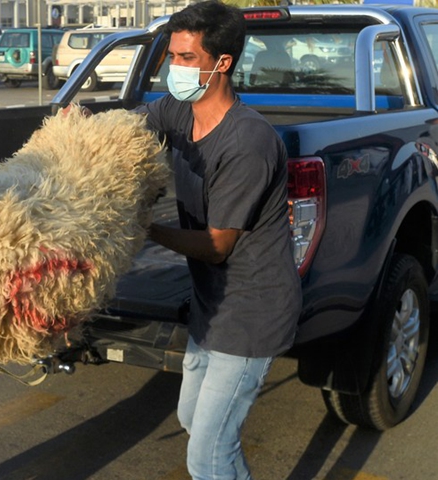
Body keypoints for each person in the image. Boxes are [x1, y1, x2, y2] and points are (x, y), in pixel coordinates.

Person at [135, 1, 302, 478]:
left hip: (251, 313)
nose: (175, 67)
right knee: (195, 422)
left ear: (222, 63)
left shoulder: (247, 143)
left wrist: (141, 226)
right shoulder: (180, 110)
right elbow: (131, 128)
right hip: (212, 304)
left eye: (187, 58)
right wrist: (82, 128)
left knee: (208, 454)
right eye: (172, 56)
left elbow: (216, 246)